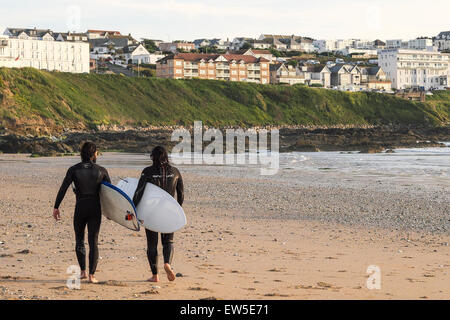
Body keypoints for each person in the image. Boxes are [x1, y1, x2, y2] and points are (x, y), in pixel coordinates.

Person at [53, 141, 111, 284]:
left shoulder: (73, 169)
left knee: (79, 240)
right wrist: (111, 212)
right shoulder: (101, 170)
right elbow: (110, 194)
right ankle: (92, 276)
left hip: (80, 207)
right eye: (97, 152)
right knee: (93, 241)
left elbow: (63, 188)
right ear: (94, 154)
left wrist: (56, 207)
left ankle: (83, 272)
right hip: (94, 208)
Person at [133, 146, 184, 282]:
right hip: (168, 211)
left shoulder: (147, 171)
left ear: (153, 157)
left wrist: (134, 209)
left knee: (152, 244)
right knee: (168, 241)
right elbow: (181, 194)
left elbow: (138, 193)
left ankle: (155, 276)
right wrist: (177, 211)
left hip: (151, 212)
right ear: (166, 156)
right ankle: (167, 263)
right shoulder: (175, 171)